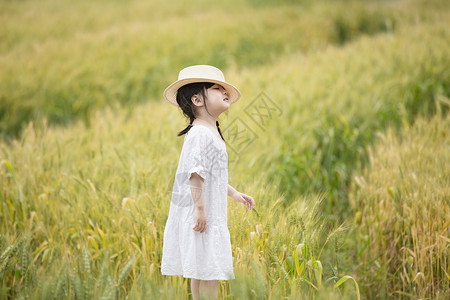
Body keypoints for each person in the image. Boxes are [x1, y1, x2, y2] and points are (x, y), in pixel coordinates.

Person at [160, 65, 255, 299]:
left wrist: (234, 194)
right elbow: (195, 175)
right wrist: (200, 210)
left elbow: (213, 176)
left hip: (207, 212)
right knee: (208, 270)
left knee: (201, 267)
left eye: (224, 89)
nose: (224, 92)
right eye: (216, 88)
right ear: (197, 99)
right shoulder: (200, 133)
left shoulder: (209, 132)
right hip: (203, 215)